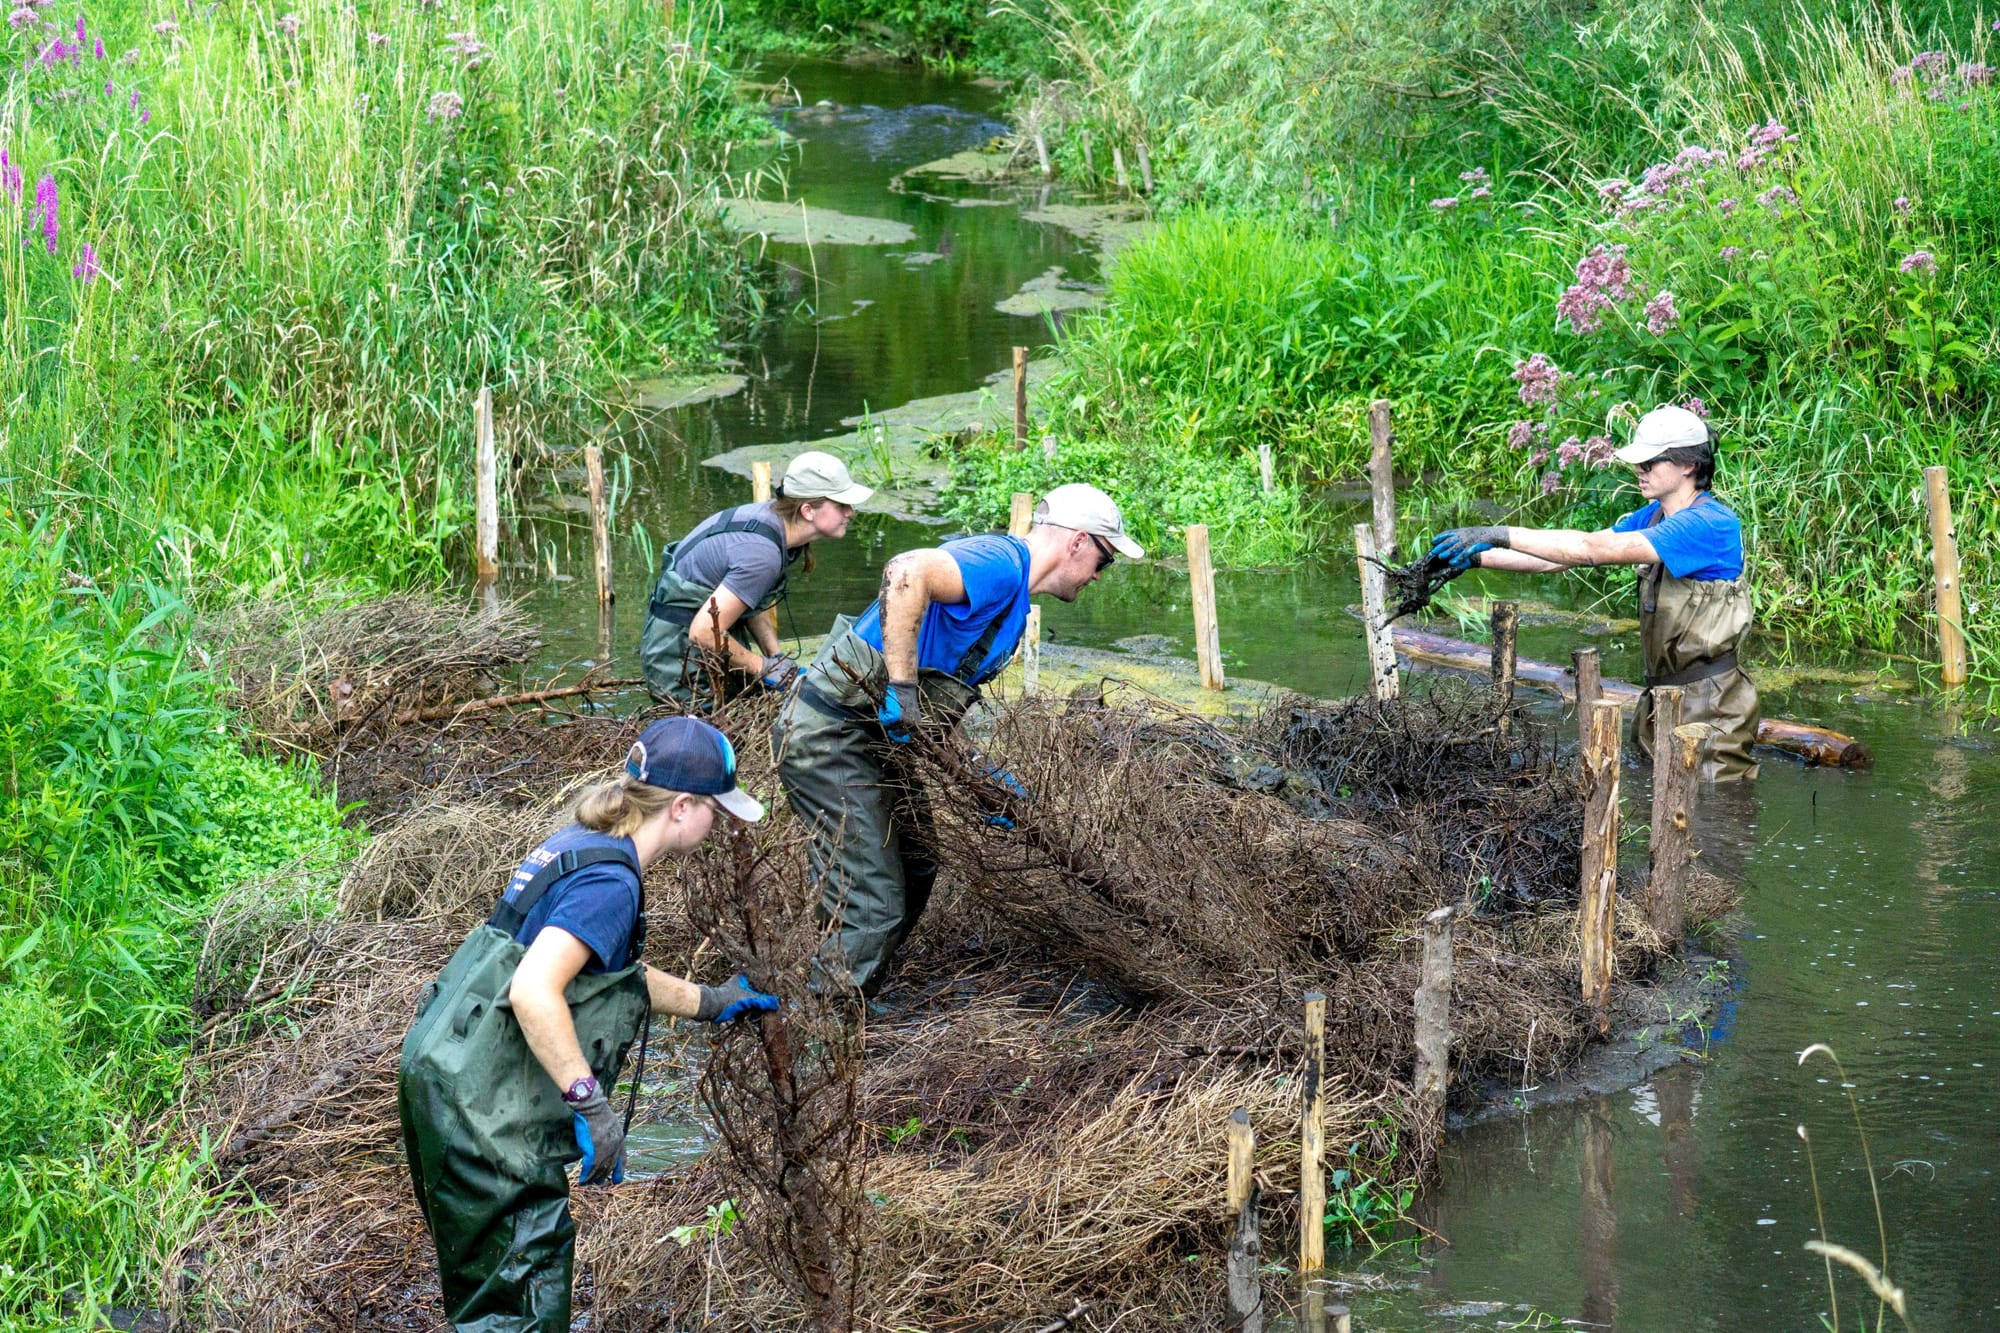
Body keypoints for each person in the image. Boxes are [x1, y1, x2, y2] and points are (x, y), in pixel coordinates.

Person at [398, 717, 778, 1332]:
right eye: (716, 808)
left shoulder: (581, 843)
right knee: (522, 1305)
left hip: (442, 1073)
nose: (721, 824)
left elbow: (598, 969)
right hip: (482, 1113)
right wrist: (591, 1104)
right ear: (682, 807)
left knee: (486, 1294)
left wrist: (708, 1000)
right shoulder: (610, 882)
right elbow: (533, 989)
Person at [772, 483, 1144, 997]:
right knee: (872, 901)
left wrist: (975, 772)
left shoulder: (1013, 607)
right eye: (1104, 559)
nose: (1101, 574)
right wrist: (901, 688)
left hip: (874, 740)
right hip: (831, 730)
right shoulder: (1000, 563)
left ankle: (855, 992)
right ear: (1078, 542)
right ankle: (816, 1033)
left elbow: (934, 709)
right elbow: (906, 572)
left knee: (918, 861)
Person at [1429, 404, 1760, 781]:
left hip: (1711, 706)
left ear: (1687, 465)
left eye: (1649, 462)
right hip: (1662, 698)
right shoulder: (1652, 517)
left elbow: (1592, 551)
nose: (1639, 470)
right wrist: (1474, 557)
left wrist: (1497, 532)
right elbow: (1557, 558)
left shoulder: (1710, 524)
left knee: (1716, 814)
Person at [639, 450, 873, 707]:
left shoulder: (772, 522)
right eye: (841, 505)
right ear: (808, 510)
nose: (850, 512)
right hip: (678, 660)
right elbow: (704, 633)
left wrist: (777, 657)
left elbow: (749, 599)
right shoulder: (762, 554)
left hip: (692, 643)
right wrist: (762, 666)